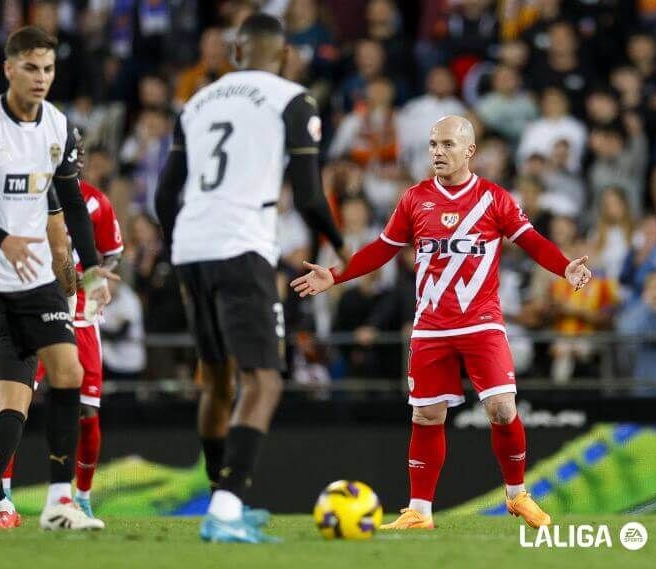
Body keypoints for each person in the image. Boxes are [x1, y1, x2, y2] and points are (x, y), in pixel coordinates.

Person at [291, 115, 592, 530]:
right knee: (426, 416)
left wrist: (565, 267)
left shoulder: (493, 198)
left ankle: (517, 495)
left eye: (447, 144)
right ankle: (420, 511)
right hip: (431, 326)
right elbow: (382, 248)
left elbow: (531, 240)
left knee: (503, 410)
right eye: (433, 144)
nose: (437, 151)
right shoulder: (415, 199)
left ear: (469, 151)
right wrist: (335, 274)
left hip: (481, 322)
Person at [155, 13, 346, 543]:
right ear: (284, 54)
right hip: (242, 246)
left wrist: (182, 244)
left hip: (193, 246)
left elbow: (163, 196)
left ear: (237, 52)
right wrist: (344, 247)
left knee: (217, 380)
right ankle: (226, 505)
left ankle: (221, 498)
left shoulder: (197, 102)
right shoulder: (293, 99)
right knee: (264, 379)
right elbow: (308, 196)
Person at [0, 25, 113, 532]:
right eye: (32, 68)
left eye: (49, 69)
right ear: (9, 69)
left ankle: (59, 503)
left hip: (34, 278)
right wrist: (4, 239)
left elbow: (73, 207)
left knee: (67, 374)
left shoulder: (60, 127)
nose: (41, 78)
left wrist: (93, 265)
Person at [31, 128, 124, 520]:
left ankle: (82, 496)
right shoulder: (27, 195)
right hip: (34, 298)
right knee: (14, 396)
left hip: (81, 306)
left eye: (77, 153)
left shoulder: (96, 203)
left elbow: (111, 254)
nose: (73, 159)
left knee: (87, 410)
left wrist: (98, 281)